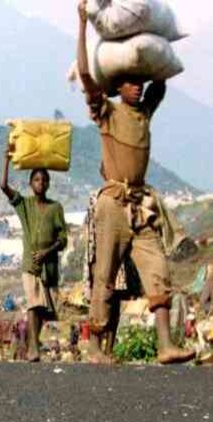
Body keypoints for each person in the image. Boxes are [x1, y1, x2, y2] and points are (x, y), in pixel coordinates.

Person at [77, 0, 194, 365]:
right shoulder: (107, 112)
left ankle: (165, 345)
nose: (137, 87)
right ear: (116, 85)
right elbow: (84, 75)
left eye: (139, 80)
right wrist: (83, 25)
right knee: (105, 276)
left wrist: (153, 32)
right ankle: (95, 348)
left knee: (157, 269)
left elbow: (160, 79)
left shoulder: (144, 112)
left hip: (141, 205)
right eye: (130, 81)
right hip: (113, 203)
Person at [0, 149, 68, 363]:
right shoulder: (25, 205)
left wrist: (47, 252)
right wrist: (6, 160)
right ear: (31, 184)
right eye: (36, 179)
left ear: (48, 184)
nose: (40, 183)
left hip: (48, 267)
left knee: (41, 307)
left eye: (44, 180)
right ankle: (32, 348)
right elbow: (3, 186)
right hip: (30, 265)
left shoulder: (55, 208)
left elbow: (63, 238)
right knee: (32, 303)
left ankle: (34, 343)